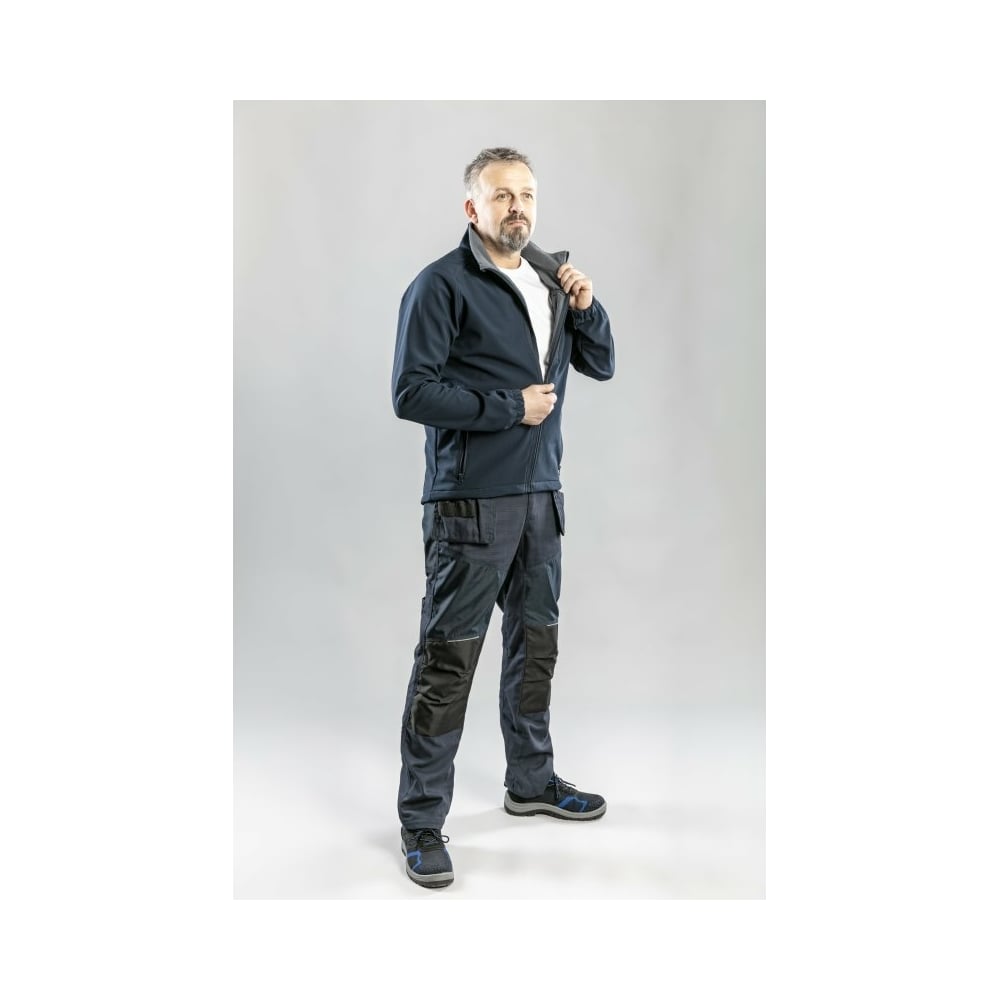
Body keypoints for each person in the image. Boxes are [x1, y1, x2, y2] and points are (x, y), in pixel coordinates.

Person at [391, 147, 615, 889]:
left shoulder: (553, 280)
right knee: (448, 661)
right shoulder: (441, 285)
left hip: (542, 497)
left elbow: (602, 362)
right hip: (470, 505)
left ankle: (531, 781)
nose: (517, 206)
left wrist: (587, 307)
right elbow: (411, 392)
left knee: (534, 649)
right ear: (473, 208)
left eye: (526, 194)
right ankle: (421, 821)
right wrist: (507, 408)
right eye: (501, 195)